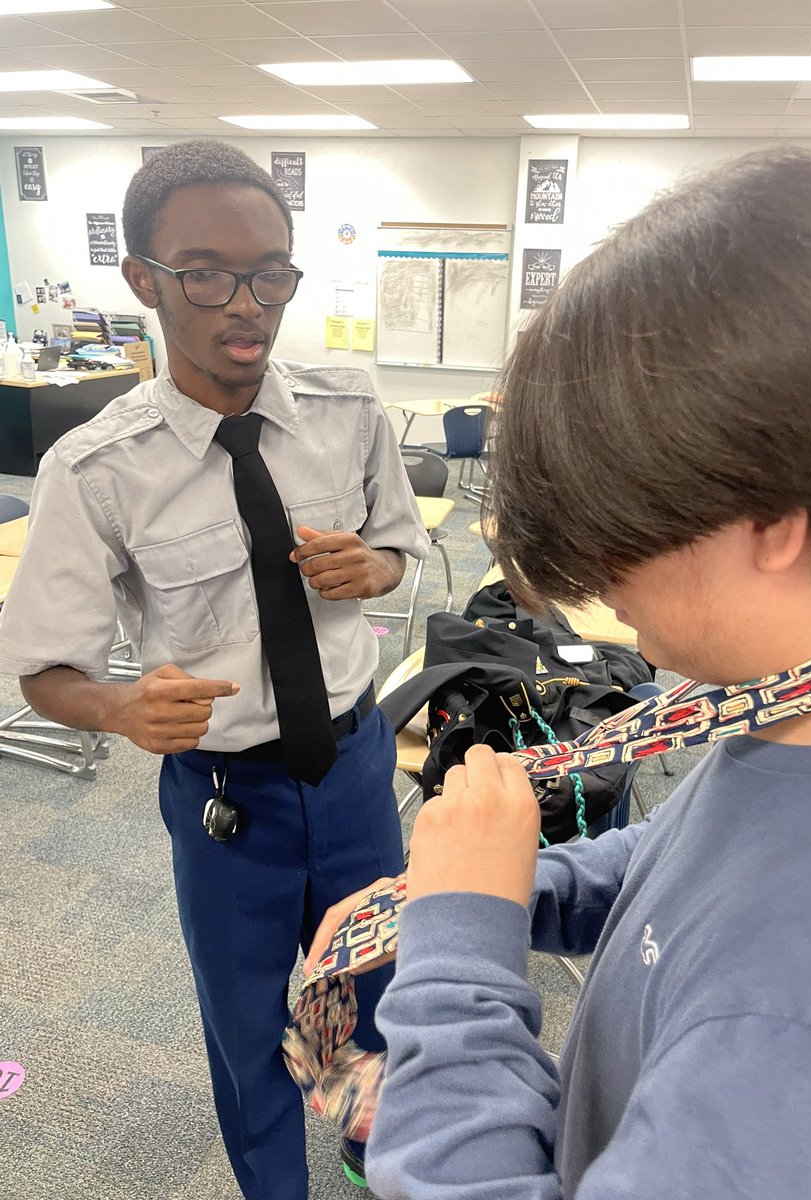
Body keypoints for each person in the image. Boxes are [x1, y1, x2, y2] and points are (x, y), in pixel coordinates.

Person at [307, 146, 811, 1199]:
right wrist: (489, 889)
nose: (592, 584)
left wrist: (456, 960)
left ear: (769, 518)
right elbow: (686, 862)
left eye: (619, 532)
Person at [0, 139, 429, 1200]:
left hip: (357, 768)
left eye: (270, 271)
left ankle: (370, 1153)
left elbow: (402, 551)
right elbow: (43, 670)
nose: (247, 304)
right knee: (247, 1021)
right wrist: (116, 705)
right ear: (143, 279)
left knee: (368, 987)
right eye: (206, 273)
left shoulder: (348, 409)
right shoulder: (94, 470)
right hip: (227, 802)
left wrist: (369, 566)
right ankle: (276, 1187)